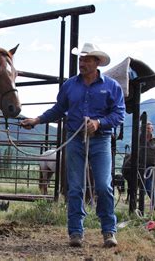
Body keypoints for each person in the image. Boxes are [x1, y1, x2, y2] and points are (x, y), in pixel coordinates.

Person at [20, 43, 125, 248]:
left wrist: (99, 123)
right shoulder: (69, 85)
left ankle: (108, 231)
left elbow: (118, 114)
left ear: (97, 62)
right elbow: (59, 109)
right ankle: (76, 232)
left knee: (103, 185)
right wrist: (37, 120)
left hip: (101, 139)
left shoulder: (112, 86)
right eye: (81, 59)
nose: (82, 63)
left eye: (86, 60)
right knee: (75, 186)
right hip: (75, 139)